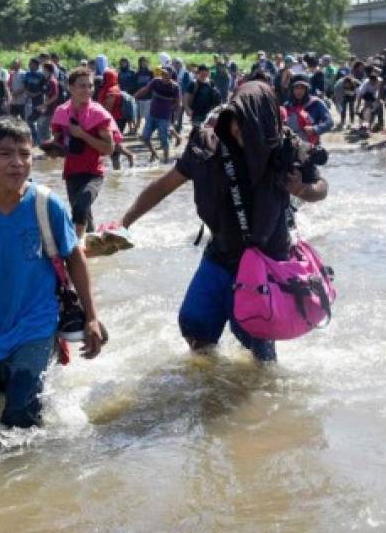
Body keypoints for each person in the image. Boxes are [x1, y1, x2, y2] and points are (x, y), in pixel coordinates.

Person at [120, 81, 328, 362]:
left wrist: (302, 189)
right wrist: (126, 221)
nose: (238, 129)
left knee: (258, 346)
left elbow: (321, 187)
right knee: (195, 326)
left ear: (266, 120)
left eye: (248, 122)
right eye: (235, 121)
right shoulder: (207, 147)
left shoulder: (287, 148)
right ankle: (210, 384)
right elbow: (165, 185)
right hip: (220, 255)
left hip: (266, 263)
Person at [0, 117, 103, 428]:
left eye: (25, 154)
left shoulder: (46, 205)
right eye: (5, 154)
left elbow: (75, 259)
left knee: (20, 416)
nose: (17, 163)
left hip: (37, 321)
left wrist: (91, 316)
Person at [49, 67, 117, 248]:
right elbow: (57, 145)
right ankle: (92, 247)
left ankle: (75, 248)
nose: (87, 90)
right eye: (82, 86)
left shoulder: (98, 113)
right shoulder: (61, 112)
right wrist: (50, 149)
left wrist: (83, 135)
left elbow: (109, 149)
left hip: (93, 172)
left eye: (90, 86)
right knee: (82, 214)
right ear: (70, 88)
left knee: (80, 207)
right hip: (71, 172)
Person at [136, 67, 180, 163]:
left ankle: (166, 159)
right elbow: (146, 89)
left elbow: (178, 103)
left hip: (164, 117)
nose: (164, 76)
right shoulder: (156, 82)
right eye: (163, 74)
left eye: (167, 74)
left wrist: (171, 110)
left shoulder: (174, 87)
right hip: (152, 115)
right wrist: (135, 96)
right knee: (145, 137)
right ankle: (154, 153)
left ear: (171, 75)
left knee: (163, 139)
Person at [284, 75, 334, 145]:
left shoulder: (316, 103)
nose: (299, 91)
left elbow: (329, 122)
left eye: (302, 88)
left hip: (312, 147)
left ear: (307, 89)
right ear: (292, 89)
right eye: (296, 87)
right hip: (292, 146)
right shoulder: (287, 105)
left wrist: (315, 129)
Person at [185, 63, 223, 129]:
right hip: (197, 114)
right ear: (199, 73)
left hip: (209, 113)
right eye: (202, 73)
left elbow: (216, 96)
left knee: (207, 133)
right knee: (198, 133)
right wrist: (188, 109)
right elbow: (185, 98)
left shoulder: (211, 83)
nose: (204, 75)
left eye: (206, 73)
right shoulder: (193, 84)